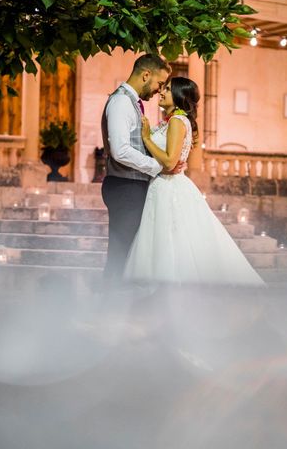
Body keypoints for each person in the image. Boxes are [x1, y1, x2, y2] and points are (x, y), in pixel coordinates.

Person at [123, 77, 264, 286]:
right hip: (166, 185)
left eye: (168, 89)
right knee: (169, 242)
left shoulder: (177, 122)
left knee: (169, 242)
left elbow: (170, 161)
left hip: (168, 187)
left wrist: (146, 138)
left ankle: (166, 292)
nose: (162, 92)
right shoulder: (174, 121)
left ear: (179, 96)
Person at [101, 54, 183, 282]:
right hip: (125, 187)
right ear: (146, 75)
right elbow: (120, 150)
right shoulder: (120, 102)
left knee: (129, 251)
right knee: (121, 251)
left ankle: (116, 302)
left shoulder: (131, 102)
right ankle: (109, 305)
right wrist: (157, 167)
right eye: (159, 83)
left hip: (131, 185)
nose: (159, 90)